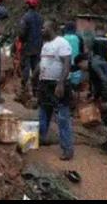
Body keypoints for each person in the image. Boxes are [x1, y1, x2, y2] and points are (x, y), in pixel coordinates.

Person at [31, 20, 74, 161]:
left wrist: (61, 83)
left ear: (52, 28)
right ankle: (41, 137)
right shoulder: (46, 45)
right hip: (45, 84)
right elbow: (42, 62)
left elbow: (67, 63)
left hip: (58, 84)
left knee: (62, 117)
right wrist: (34, 75)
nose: (41, 30)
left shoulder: (61, 43)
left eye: (44, 28)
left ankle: (67, 149)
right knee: (44, 112)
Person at [18, 0, 43, 99]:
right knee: (36, 69)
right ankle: (36, 91)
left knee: (25, 68)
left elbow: (22, 33)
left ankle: (24, 90)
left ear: (27, 4)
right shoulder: (40, 18)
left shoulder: (25, 17)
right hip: (38, 47)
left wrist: (21, 41)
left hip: (27, 47)